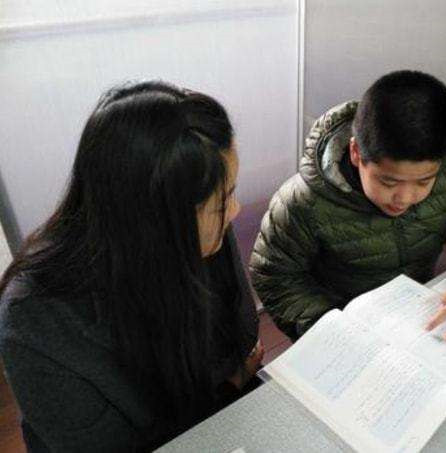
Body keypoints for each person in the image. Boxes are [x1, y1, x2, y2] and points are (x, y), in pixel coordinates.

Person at [0, 81, 263, 451]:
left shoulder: (203, 234)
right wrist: (230, 388)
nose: (234, 211)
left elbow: (242, 339)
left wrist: (231, 386)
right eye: (222, 202)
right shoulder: (37, 321)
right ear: (155, 223)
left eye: (230, 192)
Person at [250, 70, 446, 342]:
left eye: (424, 181)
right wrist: (332, 328)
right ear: (356, 153)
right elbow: (275, 277)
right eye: (388, 182)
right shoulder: (301, 203)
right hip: (345, 327)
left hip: (416, 321)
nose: (405, 197)